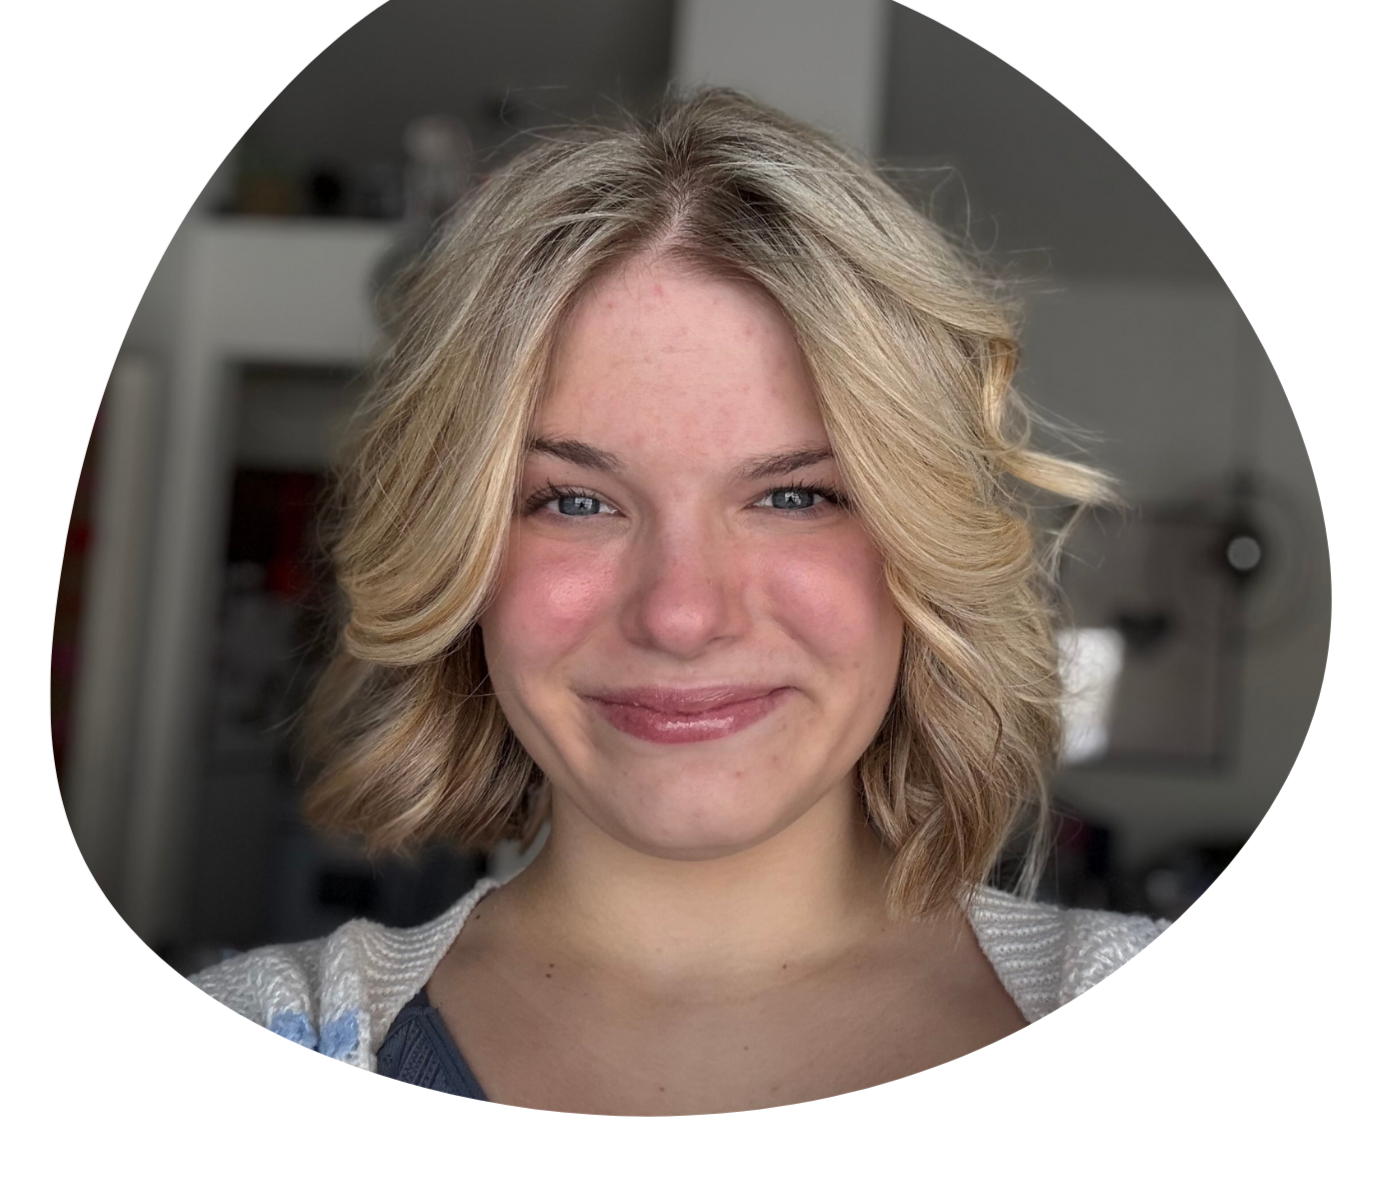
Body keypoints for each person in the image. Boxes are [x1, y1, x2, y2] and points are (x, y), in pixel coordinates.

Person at [191, 86, 1182, 1120]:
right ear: (462, 549)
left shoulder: (1169, 1023)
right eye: (574, 500)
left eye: (793, 495)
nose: (680, 614)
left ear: (921, 545)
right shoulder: (274, 1025)